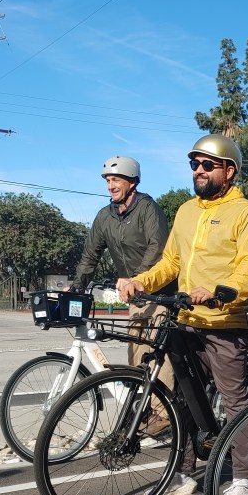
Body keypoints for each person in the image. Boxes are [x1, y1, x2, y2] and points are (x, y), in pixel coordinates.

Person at [119, 135, 248, 495]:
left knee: (235, 402)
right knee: (182, 398)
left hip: (224, 321)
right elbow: (171, 263)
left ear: (229, 170)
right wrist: (141, 281)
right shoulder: (186, 211)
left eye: (207, 165)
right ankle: (185, 473)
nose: (198, 171)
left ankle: (243, 481)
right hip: (186, 320)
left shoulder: (246, 212)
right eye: (194, 165)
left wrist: (219, 291)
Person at [74, 156, 173, 380]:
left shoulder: (148, 208)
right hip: (134, 296)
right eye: (108, 180)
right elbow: (90, 254)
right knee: (135, 358)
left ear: (132, 182)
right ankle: (140, 409)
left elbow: (157, 248)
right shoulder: (104, 217)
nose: (111, 186)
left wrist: (136, 279)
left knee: (157, 359)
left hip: (160, 294)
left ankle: (161, 414)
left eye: (116, 179)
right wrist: (77, 286)